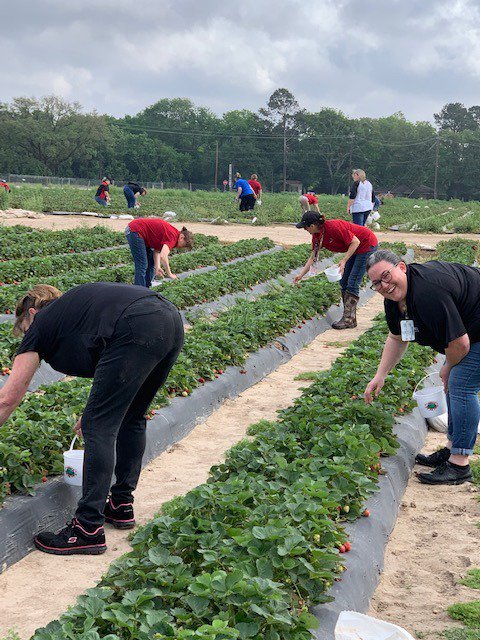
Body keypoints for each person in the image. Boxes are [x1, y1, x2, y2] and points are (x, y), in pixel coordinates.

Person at [0, 282, 184, 555]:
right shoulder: (75, 312)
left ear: (30, 313)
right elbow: (110, 370)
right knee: (132, 417)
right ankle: (121, 505)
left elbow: (7, 398)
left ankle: (87, 529)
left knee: (100, 427)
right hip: (169, 319)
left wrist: (93, 416)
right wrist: (91, 410)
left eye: (23, 329)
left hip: (135, 325)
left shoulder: (41, 323)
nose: (26, 335)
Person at [364, 249, 480, 486]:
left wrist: (447, 366)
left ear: (402, 267)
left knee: (461, 384)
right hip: (469, 325)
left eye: (386, 276)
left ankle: (459, 465)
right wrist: (380, 375)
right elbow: (397, 338)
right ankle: (451, 449)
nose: (384, 285)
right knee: (455, 383)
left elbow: (460, 343)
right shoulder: (395, 301)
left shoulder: (428, 293)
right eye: (376, 283)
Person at [293, 211, 378, 329]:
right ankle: (348, 316)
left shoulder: (333, 227)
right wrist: (301, 275)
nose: (305, 230)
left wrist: (344, 260)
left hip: (366, 245)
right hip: (354, 248)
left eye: (305, 227)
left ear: (312, 226)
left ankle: (349, 319)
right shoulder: (317, 236)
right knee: (343, 281)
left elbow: (355, 241)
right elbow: (313, 257)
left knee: (353, 282)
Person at [126, 218, 194, 287]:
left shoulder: (174, 236)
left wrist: (158, 267)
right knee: (142, 264)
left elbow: (157, 251)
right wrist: (169, 274)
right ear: (182, 237)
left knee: (151, 263)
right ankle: (139, 291)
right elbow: (163, 256)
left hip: (139, 233)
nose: (181, 247)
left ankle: (146, 289)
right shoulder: (173, 237)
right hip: (135, 230)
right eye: (184, 245)